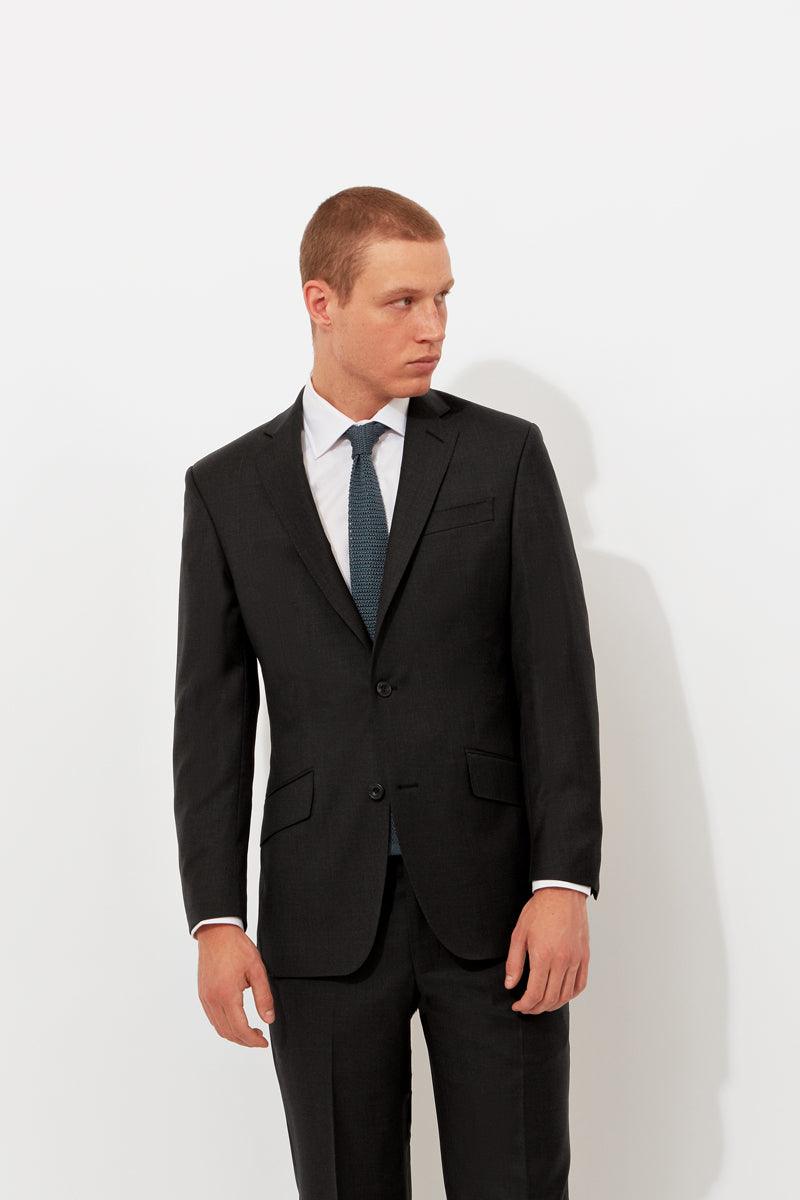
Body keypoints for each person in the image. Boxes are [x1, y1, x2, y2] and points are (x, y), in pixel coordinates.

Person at [172, 184, 602, 1199]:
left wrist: (562, 884)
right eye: (402, 301)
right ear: (320, 303)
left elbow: (556, 682)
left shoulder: (501, 458)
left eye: (443, 298)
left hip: (496, 912)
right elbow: (212, 723)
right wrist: (215, 919)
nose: (433, 327)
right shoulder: (227, 490)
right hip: (319, 914)